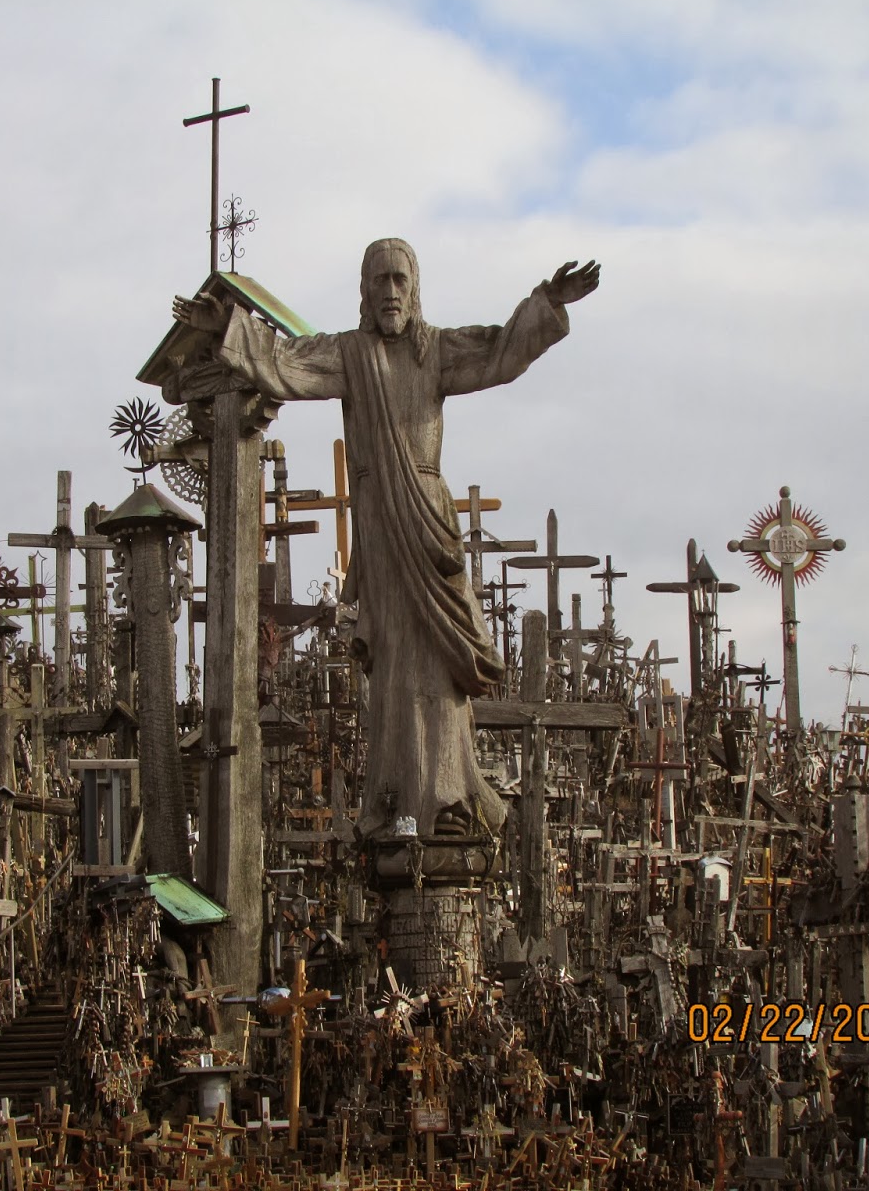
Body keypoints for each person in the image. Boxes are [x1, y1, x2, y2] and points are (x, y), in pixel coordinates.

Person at [173, 238, 599, 841]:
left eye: (401, 280)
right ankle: (399, 793)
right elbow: (289, 365)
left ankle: (450, 791)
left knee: (442, 665)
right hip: (380, 520)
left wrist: (548, 303)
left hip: (426, 522)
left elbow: (500, 351)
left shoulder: (436, 350)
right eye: (380, 282)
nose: (391, 292)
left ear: (415, 289)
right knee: (397, 662)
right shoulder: (351, 354)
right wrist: (233, 330)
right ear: (365, 294)